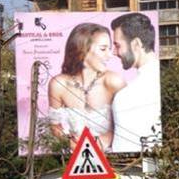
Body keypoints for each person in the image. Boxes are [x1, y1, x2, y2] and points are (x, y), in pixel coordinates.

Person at [48, 22, 126, 151]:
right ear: (82, 49)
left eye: (109, 48)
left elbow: (128, 125)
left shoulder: (113, 81)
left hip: (113, 157)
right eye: (103, 49)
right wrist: (71, 143)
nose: (110, 55)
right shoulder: (58, 84)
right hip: (72, 158)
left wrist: (100, 144)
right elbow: (55, 126)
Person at [110, 13, 161, 153]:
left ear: (136, 44)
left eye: (117, 45)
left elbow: (122, 151)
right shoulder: (168, 80)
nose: (114, 52)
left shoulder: (125, 97)